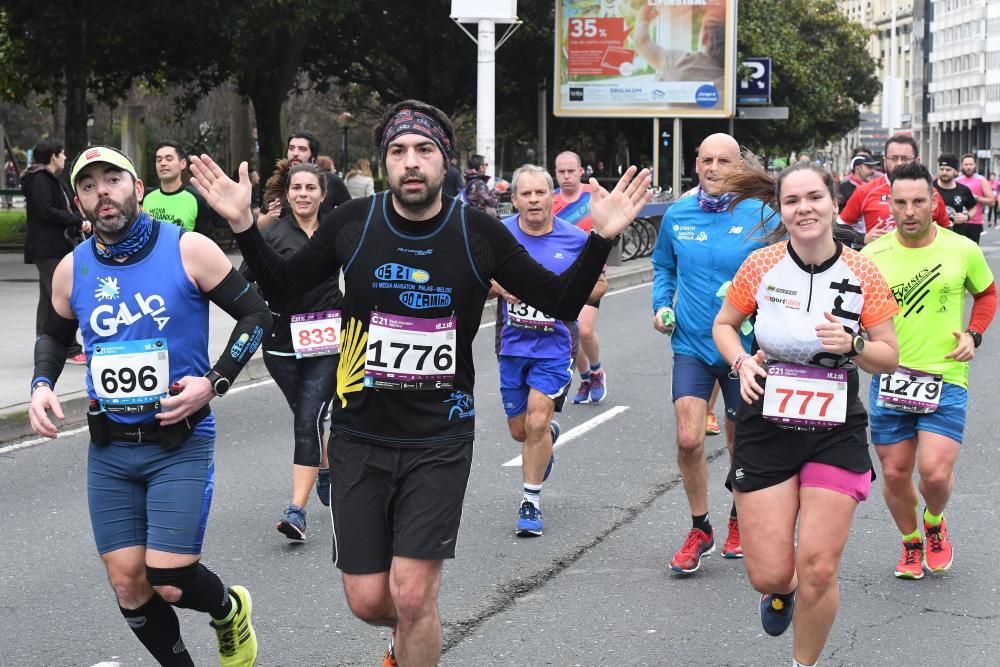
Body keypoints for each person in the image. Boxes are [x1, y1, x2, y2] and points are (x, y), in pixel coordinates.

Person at [189, 98, 651, 667]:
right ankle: (415, 628)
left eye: (424, 150)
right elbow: (283, 291)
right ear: (385, 164)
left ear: (444, 163)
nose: (411, 162)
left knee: (410, 594)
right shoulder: (351, 224)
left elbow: (557, 300)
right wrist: (242, 226)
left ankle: (416, 624)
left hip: (439, 437)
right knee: (368, 600)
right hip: (360, 434)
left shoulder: (477, 232)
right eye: (398, 151)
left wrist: (600, 239)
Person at [28, 146, 271, 665]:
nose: (103, 194)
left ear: (136, 189)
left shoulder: (189, 249)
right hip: (110, 449)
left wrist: (215, 382)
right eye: (89, 186)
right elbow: (52, 337)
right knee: (128, 585)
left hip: (178, 441)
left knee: (170, 581)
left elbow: (256, 317)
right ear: (79, 202)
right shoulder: (72, 270)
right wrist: (41, 384)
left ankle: (229, 611)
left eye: (112, 180)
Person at [713, 158, 899, 667]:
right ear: (782, 209)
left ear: (833, 204)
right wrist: (740, 361)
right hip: (767, 418)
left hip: (834, 424)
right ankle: (781, 590)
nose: (804, 209)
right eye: (792, 201)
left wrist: (855, 340)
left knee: (819, 568)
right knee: (771, 573)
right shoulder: (761, 265)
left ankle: (803, 663)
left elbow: (889, 355)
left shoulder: (862, 270)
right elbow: (726, 324)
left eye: (814, 198)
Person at [862, 161, 997, 580]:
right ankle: (910, 541)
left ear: (933, 201)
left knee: (935, 473)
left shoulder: (962, 249)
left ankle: (934, 521)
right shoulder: (872, 256)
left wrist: (972, 334)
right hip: (891, 377)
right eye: (900, 202)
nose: (910, 211)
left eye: (919, 201)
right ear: (891, 203)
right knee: (895, 472)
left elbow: (987, 292)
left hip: (945, 377)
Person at [651, 133, 776, 573]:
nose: (713, 168)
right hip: (691, 343)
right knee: (688, 438)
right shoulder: (678, 215)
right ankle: (700, 528)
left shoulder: (761, 215)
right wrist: (662, 306)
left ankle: (739, 516)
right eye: (706, 161)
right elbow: (664, 267)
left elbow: (783, 271)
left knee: (742, 443)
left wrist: (759, 308)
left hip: (746, 351)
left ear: (738, 165)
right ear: (696, 164)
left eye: (724, 161)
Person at [491, 164, 607, 537]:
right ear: (515, 201)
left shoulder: (575, 239)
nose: (534, 200)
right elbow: (478, 275)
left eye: (540, 193)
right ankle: (546, 437)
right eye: (526, 194)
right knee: (520, 430)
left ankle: (530, 502)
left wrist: (563, 289)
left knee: (536, 420)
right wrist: (498, 286)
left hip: (555, 346)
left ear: (551, 197)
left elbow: (600, 286)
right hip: (511, 344)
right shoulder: (500, 236)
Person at [244, 160, 342, 541]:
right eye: (296, 188)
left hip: (328, 341)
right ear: (287, 194)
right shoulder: (272, 235)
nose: (303, 194)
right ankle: (328, 468)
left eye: (310, 188)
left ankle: (295, 511)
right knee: (310, 420)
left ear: (322, 193)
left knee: (307, 420)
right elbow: (241, 284)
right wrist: (260, 312)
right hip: (282, 345)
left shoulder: (337, 233)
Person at [21, 138, 86, 364]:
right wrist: (76, 221)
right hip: (47, 247)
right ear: (53, 156)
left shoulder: (49, 179)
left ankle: (45, 346)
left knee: (48, 299)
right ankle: (69, 348)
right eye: (63, 153)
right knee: (64, 296)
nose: (65, 157)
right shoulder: (40, 179)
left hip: (53, 246)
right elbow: (46, 210)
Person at [552, 151, 609, 404]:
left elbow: (616, 221)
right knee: (570, 333)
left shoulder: (595, 194)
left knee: (585, 329)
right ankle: (585, 377)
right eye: (561, 171)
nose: (566, 176)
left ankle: (597, 372)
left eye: (570, 171)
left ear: (580, 171)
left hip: (593, 274)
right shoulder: (549, 200)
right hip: (561, 275)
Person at [838, 135, 950, 246]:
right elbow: (838, 227)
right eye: (894, 158)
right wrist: (862, 238)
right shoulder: (865, 191)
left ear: (917, 160)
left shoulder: (930, 192)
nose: (899, 163)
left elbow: (947, 231)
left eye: (905, 158)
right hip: (878, 261)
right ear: (885, 160)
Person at [259, 132, 351, 227]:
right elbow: (260, 224)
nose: (295, 153)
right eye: (291, 148)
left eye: (302, 149)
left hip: (322, 240)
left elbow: (351, 216)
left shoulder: (331, 181)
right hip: (284, 240)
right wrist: (270, 217)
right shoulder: (277, 184)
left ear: (313, 157)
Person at [634, 4, 725, 93]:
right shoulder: (727, 81)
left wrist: (642, 17)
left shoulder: (684, 63)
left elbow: (642, 43)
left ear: (706, 36)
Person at [141, 140, 220, 238]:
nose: (163, 163)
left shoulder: (196, 200)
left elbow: (208, 242)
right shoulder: (144, 197)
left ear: (182, 164)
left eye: (169, 159)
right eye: (159, 160)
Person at [954, 153, 996, 243]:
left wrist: (975, 198)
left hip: (974, 223)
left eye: (971, 164)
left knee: (972, 252)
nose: (968, 167)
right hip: (958, 222)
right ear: (962, 165)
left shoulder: (981, 180)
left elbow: (992, 201)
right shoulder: (956, 181)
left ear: (975, 165)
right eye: (966, 164)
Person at [932, 153, 978, 231]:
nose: (944, 172)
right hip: (934, 236)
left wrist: (966, 217)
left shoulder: (963, 190)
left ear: (955, 171)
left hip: (957, 235)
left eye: (948, 170)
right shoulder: (930, 188)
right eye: (941, 169)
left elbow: (973, 208)